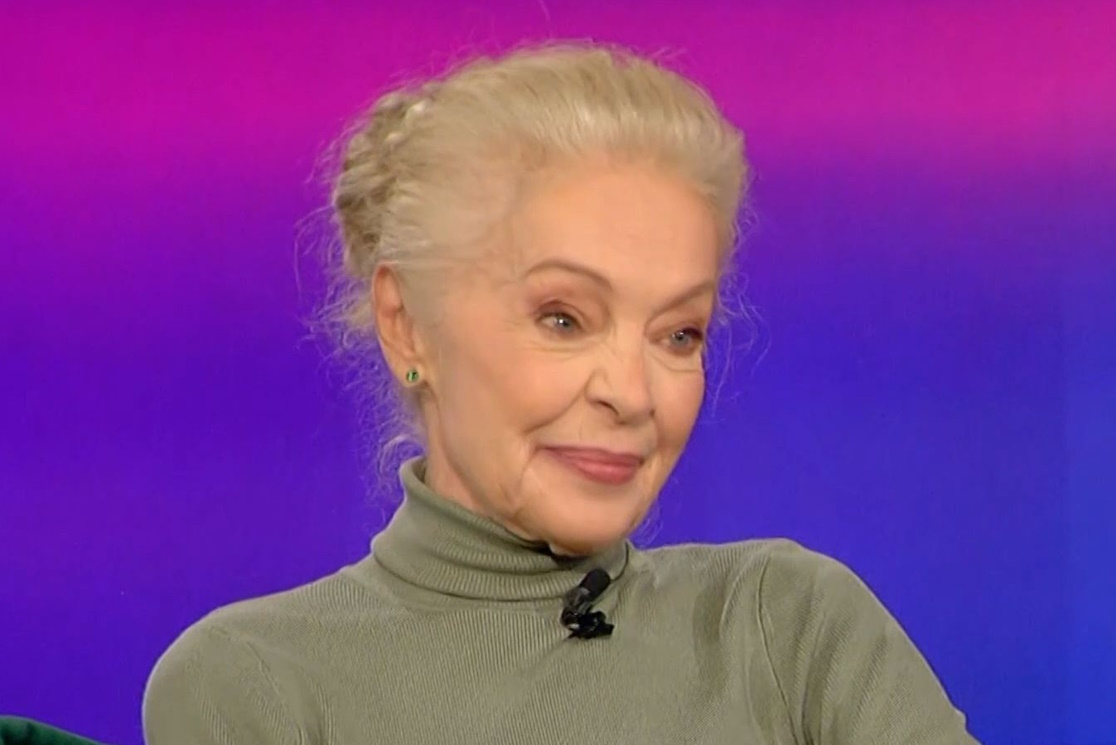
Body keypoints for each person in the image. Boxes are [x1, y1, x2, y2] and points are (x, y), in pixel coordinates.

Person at [143, 42, 979, 744]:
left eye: (678, 334)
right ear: (408, 325)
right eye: (563, 318)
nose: (632, 393)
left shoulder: (786, 627)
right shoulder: (256, 684)